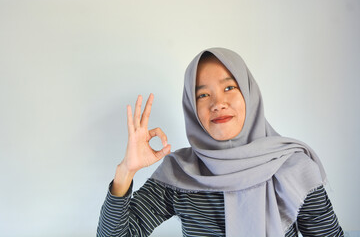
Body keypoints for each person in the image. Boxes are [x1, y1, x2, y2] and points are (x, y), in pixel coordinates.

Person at [97, 48, 344, 237]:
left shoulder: (292, 168)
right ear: (192, 107)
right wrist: (125, 172)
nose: (217, 103)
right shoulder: (180, 172)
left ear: (249, 93)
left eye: (229, 87)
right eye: (203, 94)